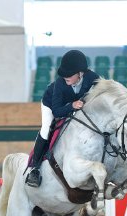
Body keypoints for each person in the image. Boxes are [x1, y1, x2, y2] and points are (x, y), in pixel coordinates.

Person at [26, 50, 100, 187]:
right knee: (46, 128)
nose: (65, 76)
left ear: (80, 73)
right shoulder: (60, 83)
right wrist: (72, 105)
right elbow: (57, 111)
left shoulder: (93, 79)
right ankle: (34, 169)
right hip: (52, 104)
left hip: (77, 107)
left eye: (69, 74)